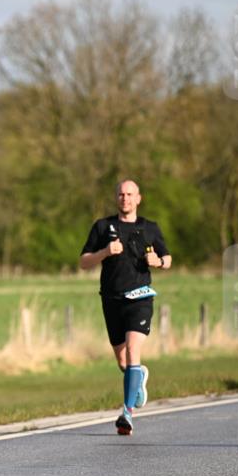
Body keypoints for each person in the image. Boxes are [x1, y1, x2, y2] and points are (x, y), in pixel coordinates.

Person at [79, 179, 172, 435]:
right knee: (123, 362)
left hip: (140, 297)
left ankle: (127, 414)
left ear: (138, 198)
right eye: (121, 194)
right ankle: (138, 376)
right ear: (116, 198)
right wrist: (105, 252)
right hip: (112, 299)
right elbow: (84, 262)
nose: (125, 198)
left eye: (130, 194)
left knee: (132, 349)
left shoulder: (149, 228)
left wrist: (158, 261)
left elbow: (168, 258)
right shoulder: (102, 226)